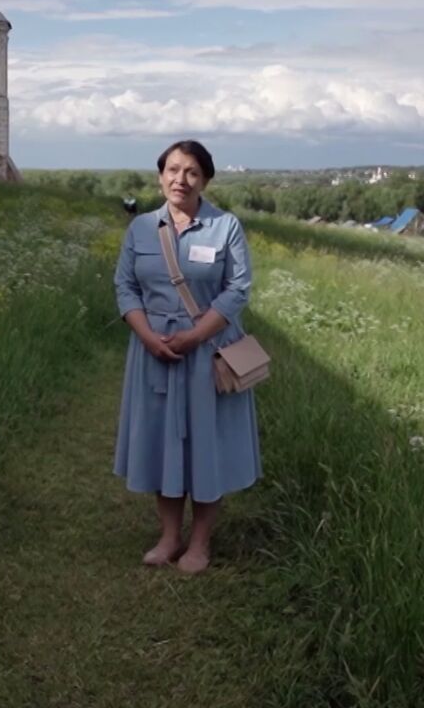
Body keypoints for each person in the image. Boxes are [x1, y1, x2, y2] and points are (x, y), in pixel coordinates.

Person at [112, 139, 260, 573]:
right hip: (155, 351)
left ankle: (200, 543)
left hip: (208, 352)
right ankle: (169, 537)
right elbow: (125, 287)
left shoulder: (226, 226)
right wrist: (146, 336)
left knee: (206, 444)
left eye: (192, 172)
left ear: (205, 179)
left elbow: (238, 289)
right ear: (160, 176)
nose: (181, 179)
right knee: (162, 443)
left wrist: (195, 335)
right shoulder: (140, 228)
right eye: (173, 170)